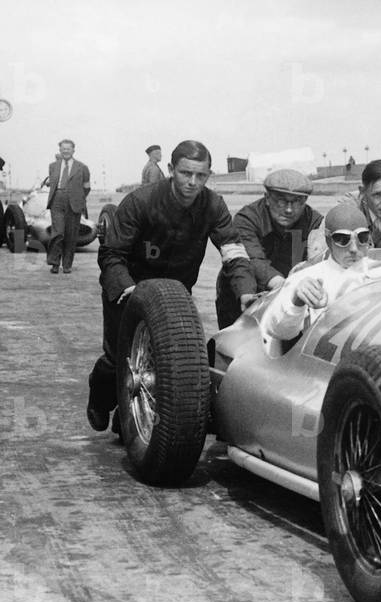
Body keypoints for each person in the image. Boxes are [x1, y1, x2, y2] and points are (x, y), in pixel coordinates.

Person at [87, 140, 256, 433]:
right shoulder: (140, 202)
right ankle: (100, 399)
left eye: (200, 176)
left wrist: (245, 288)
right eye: (185, 173)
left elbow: (232, 248)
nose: (192, 182)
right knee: (119, 359)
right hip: (130, 289)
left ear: (208, 175)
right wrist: (126, 287)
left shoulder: (213, 205)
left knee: (169, 364)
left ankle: (130, 421)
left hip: (176, 294)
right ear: (170, 170)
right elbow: (112, 254)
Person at [214, 168, 324, 328]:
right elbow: (254, 260)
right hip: (244, 294)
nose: (288, 209)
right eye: (281, 201)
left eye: (297, 202)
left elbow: (321, 258)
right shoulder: (248, 218)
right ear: (267, 198)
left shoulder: (314, 221)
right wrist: (288, 286)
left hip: (290, 298)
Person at [261, 204, 372, 341]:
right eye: (342, 239)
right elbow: (279, 332)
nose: (354, 248)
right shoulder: (304, 278)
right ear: (328, 240)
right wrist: (296, 302)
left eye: (362, 237)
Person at [45, 139, 90, 274]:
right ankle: (54, 263)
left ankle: (67, 265)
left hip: (74, 203)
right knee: (57, 232)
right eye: (63, 149)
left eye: (68, 148)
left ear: (73, 150)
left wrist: (79, 199)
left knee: (71, 235)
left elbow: (87, 187)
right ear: (60, 150)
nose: (65, 151)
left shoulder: (82, 167)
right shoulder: (52, 166)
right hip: (57, 200)